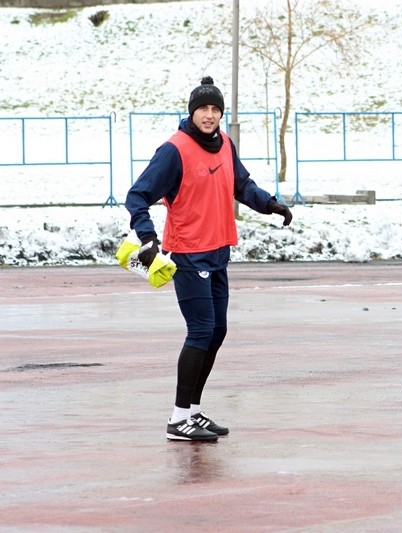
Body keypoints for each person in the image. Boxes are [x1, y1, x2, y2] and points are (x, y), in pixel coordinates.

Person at [125, 76, 293, 442]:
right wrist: (148, 238)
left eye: (216, 109)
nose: (210, 115)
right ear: (192, 111)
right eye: (204, 108)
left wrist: (268, 204)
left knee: (217, 331)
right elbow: (137, 195)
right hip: (188, 253)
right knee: (200, 331)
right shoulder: (174, 150)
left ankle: (193, 412)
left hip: (218, 251)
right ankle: (177, 419)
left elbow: (241, 185)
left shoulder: (225, 144)